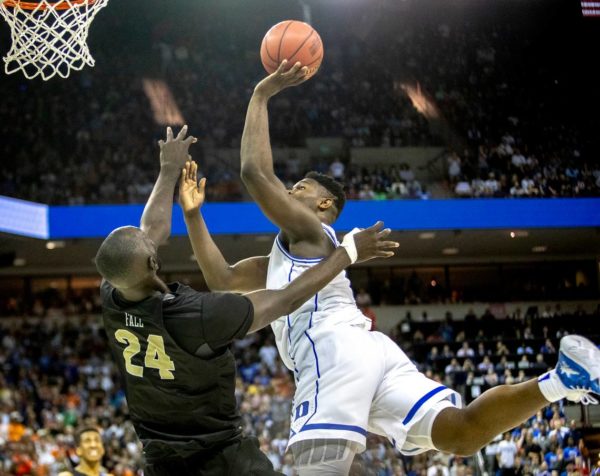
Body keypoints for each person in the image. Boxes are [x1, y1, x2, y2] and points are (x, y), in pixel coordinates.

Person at [184, 60, 600, 476]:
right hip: (371, 350)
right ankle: (560, 380)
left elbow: (255, 173)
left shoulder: (311, 232)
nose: (289, 192)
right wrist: (192, 215)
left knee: (320, 470)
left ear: (323, 204)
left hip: (330, 352)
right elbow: (222, 279)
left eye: (299, 188)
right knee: (461, 432)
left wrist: (261, 94)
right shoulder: (284, 257)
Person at [95, 127, 398, 476]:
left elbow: (154, 233)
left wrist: (181, 196)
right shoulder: (196, 315)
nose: (289, 191)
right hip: (219, 455)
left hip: (159, 458)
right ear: (153, 262)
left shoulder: (113, 294)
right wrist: (348, 253)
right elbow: (285, 299)